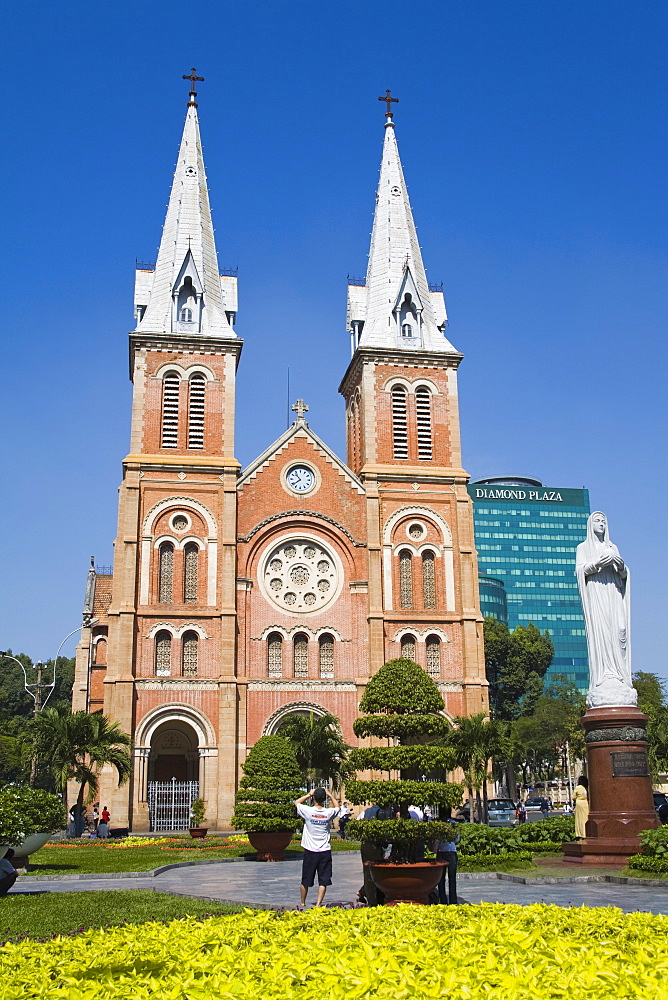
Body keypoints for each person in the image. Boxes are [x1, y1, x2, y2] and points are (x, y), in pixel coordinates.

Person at [576, 511, 634, 709]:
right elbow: (580, 571)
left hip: (613, 592)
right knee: (603, 633)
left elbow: (625, 574)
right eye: (597, 521)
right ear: (590, 525)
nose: (601, 524)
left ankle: (620, 675)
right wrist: (597, 564)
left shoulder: (613, 547)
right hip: (597, 593)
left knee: (620, 631)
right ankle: (605, 674)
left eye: (603, 521)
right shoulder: (583, 548)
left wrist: (621, 566)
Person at [294, 787, 340, 907]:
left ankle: (303, 902)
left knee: (306, 879)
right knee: (323, 880)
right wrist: (330, 794)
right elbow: (337, 808)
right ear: (324, 799)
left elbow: (296, 803)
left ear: (314, 798)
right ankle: (318, 903)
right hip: (324, 850)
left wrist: (309, 794)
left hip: (310, 851)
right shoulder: (327, 813)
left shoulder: (308, 811)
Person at [433, 814, 459, 905]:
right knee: (452, 878)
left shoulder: (439, 825)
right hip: (451, 851)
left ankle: (443, 900)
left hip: (441, 851)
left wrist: (434, 850)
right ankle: (453, 901)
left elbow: (436, 841)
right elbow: (457, 839)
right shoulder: (453, 824)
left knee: (441, 878)